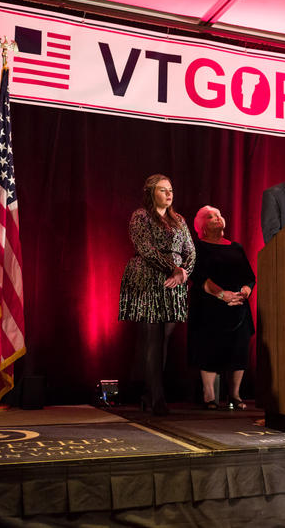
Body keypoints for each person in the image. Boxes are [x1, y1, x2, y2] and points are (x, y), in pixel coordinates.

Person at [119, 174, 195, 416]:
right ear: (151, 193)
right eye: (163, 190)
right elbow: (145, 248)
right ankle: (156, 398)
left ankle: (148, 392)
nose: (169, 194)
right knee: (152, 338)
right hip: (149, 278)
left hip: (174, 283)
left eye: (170, 189)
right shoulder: (141, 216)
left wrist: (183, 273)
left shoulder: (179, 220)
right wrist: (173, 269)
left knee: (163, 340)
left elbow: (190, 251)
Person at [188, 205, 256, 410]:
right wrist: (222, 294)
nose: (217, 218)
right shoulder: (197, 247)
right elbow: (198, 276)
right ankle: (209, 395)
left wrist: (244, 291)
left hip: (237, 306)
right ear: (202, 226)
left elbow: (249, 277)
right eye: (210, 217)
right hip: (209, 306)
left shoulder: (236, 247)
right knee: (209, 349)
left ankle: (235, 395)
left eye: (218, 215)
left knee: (239, 349)